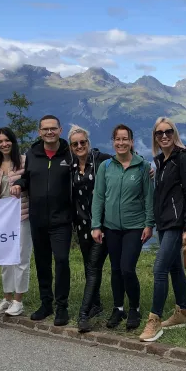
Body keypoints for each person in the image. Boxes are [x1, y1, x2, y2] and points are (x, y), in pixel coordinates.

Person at [139, 117, 186, 342]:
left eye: (168, 132)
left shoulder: (183, 158)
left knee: (159, 269)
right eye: (159, 133)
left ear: (175, 133)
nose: (164, 136)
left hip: (176, 224)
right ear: (154, 137)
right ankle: (183, 313)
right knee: (175, 269)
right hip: (164, 223)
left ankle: (154, 321)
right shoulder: (161, 161)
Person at [11, 115, 74, 326]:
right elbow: (28, 177)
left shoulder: (70, 153)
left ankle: (62, 307)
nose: (49, 132)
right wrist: (20, 183)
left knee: (62, 261)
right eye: (45, 129)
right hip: (37, 219)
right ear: (39, 132)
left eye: (53, 129)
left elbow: (92, 160)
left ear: (60, 130)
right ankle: (46, 303)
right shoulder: (32, 154)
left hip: (62, 219)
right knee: (42, 263)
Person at [91, 124, 154, 331]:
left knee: (127, 268)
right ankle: (118, 308)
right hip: (110, 227)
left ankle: (134, 308)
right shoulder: (106, 167)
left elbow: (148, 197)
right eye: (117, 139)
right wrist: (96, 225)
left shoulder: (143, 167)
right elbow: (99, 197)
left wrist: (149, 224)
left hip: (135, 226)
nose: (121, 143)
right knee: (116, 269)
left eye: (125, 139)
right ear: (113, 142)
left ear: (131, 142)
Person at [68, 124, 111, 332]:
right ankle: (96, 304)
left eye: (82, 142)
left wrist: (146, 168)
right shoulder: (72, 166)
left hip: (101, 225)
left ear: (88, 142)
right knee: (88, 267)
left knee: (93, 268)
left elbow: (126, 158)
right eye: (75, 143)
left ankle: (83, 315)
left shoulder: (101, 159)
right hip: (82, 224)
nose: (79, 146)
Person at [0, 127, 32, 317]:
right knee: (5, 259)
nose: (4, 144)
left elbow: (30, 182)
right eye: (0, 142)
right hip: (2, 219)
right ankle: (6, 297)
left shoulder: (23, 161)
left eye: (7, 140)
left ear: (13, 142)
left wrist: (19, 186)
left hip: (22, 216)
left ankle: (18, 300)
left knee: (21, 258)